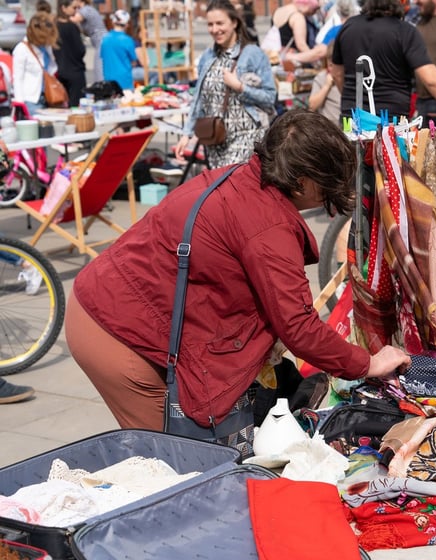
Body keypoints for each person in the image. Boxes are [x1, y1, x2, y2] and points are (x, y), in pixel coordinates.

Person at [64, 109, 412, 431]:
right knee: (173, 465)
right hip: (116, 332)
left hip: (111, 303)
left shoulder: (244, 177)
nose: (327, 199)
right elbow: (299, 327)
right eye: (327, 185)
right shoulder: (266, 227)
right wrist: (367, 363)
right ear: (303, 182)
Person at [174, 0, 276, 170]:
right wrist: (186, 134)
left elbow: (270, 98)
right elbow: (199, 99)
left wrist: (240, 87)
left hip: (247, 136)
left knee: (235, 184)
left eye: (220, 23)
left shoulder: (253, 54)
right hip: (216, 138)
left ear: (234, 22)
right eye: (210, 24)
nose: (215, 29)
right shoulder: (208, 56)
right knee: (221, 190)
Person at [331, 0, 436, 119]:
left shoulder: (348, 26)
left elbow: (337, 74)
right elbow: (431, 80)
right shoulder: (404, 31)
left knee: (349, 151)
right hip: (389, 123)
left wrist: (356, 97)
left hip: (352, 118)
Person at [12, 11, 59, 116]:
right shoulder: (22, 49)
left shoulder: (46, 47)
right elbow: (17, 78)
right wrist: (20, 104)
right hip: (30, 100)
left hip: (47, 97)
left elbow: (51, 68)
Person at [55, 0, 86, 107]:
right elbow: (81, 50)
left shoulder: (54, 27)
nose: (76, 11)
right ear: (64, 8)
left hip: (59, 71)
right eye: (74, 8)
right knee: (76, 107)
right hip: (75, 71)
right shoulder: (72, 27)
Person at [100, 10, 137, 92]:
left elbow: (103, 58)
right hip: (124, 81)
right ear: (127, 24)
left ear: (113, 22)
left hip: (109, 80)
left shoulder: (104, 39)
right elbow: (133, 62)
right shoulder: (128, 40)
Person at [72, 0, 107, 83]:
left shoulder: (85, 10)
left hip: (100, 40)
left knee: (99, 68)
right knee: (101, 66)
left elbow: (74, 20)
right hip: (100, 40)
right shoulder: (88, 9)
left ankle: (101, 88)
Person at [307, 42, 341, 124]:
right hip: (329, 128)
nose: (331, 67)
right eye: (329, 63)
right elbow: (312, 105)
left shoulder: (348, 77)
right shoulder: (322, 78)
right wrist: (326, 86)